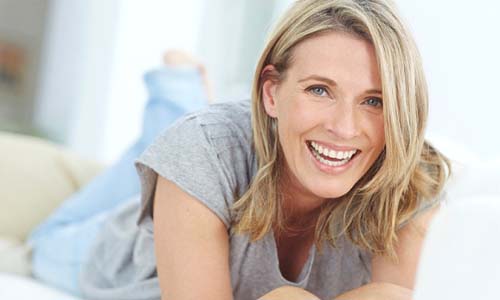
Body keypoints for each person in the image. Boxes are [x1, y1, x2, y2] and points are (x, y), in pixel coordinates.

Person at [80, 1, 450, 299]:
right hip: (112, 256)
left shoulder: (412, 180)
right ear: (271, 92)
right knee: (178, 135)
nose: (344, 127)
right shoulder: (200, 149)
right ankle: (178, 84)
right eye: (319, 90)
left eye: (374, 101)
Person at [27, 50, 211, 296]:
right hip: (134, 240)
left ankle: (180, 96)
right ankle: (180, 99)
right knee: (43, 245)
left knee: (163, 159)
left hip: (143, 234)